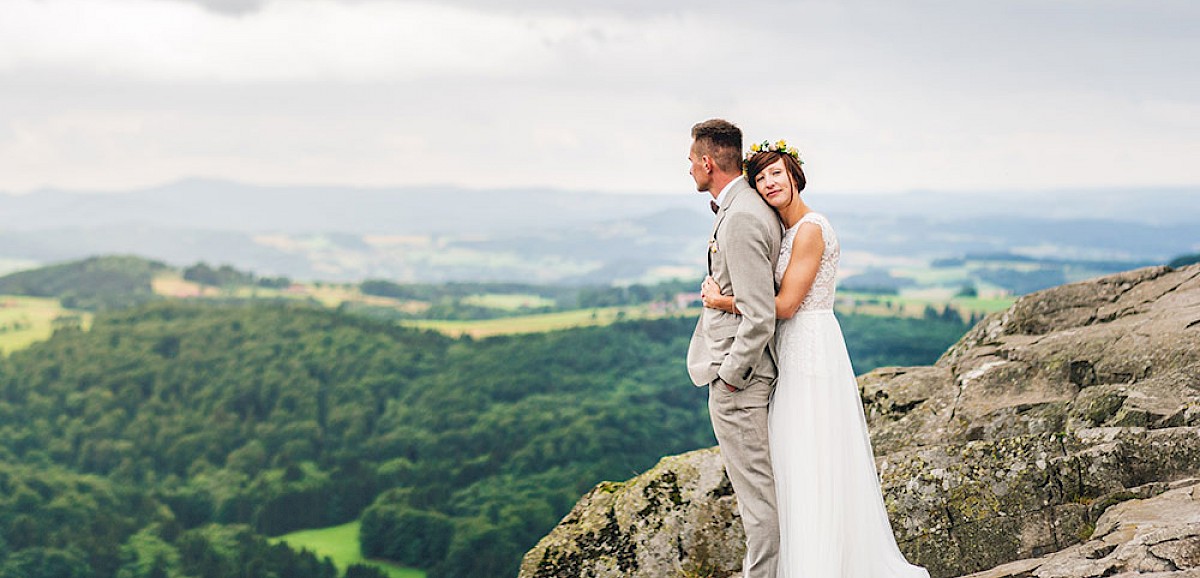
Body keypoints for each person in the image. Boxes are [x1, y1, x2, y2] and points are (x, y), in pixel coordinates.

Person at [701, 140, 929, 578]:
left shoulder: (810, 229)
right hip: (791, 346)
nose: (768, 183)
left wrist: (722, 301)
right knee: (796, 457)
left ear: (794, 176)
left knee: (811, 453)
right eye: (761, 176)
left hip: (810, 345)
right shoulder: (784, 230)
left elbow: (784, 306)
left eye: (776, 173)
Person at [685, 119, 783, 578]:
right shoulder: (742, 206)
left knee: (757, 497)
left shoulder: (742, 216)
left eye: (690, 160)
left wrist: (730, 375)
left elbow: (760, 313)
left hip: (740, 381)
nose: (688, 169)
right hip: (740, 376)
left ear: (708, 162)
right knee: (760, 491)